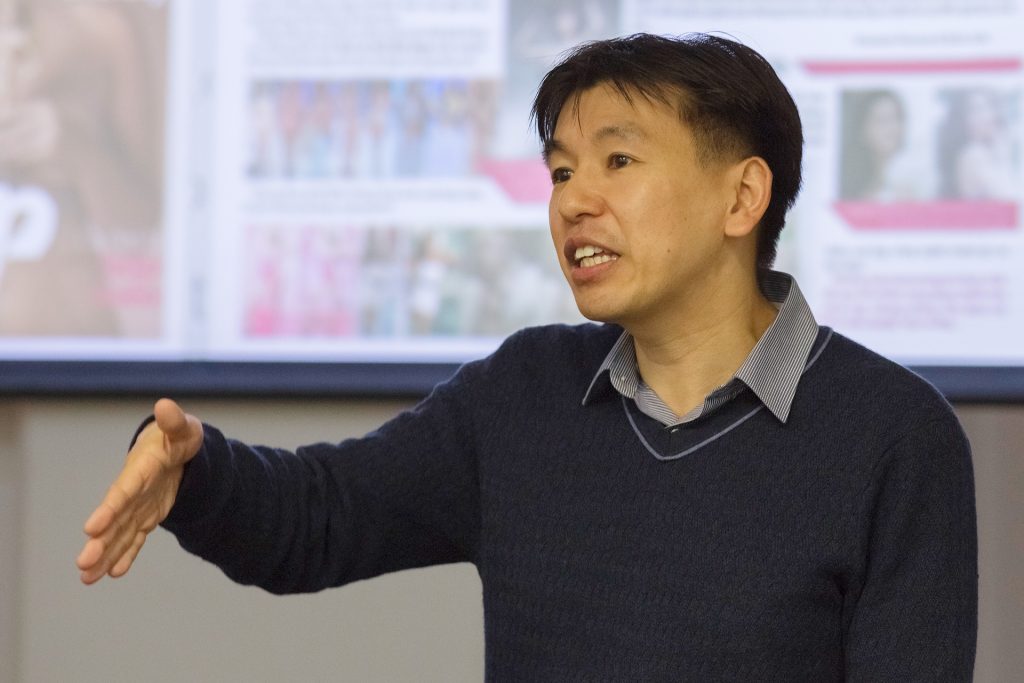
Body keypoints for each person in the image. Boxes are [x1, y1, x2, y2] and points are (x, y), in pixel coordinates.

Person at [77, 33, 977, 680]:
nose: (573, 201)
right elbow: (317, 518)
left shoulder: (893, 435)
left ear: (742, 197)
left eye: (617, 161)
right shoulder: (524, 393)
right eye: (560, 172)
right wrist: (194, 472)